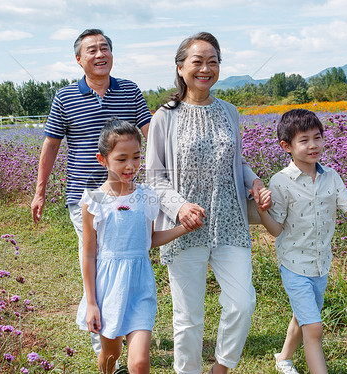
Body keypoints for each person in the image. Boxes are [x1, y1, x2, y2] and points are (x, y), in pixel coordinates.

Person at [146, 32, 271, 374]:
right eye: (197, 61)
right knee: (188, 317)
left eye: (213, 61)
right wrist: (179, 207)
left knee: (243, 303)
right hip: (183, 229)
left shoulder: (229, 112)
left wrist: (255, 181)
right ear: (181, 68)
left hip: (230, 222)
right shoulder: (164, 117)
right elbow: (154, 178)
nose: (206, 68)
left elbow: (238, 163)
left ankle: (222, 366)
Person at [30, 29, 153, 356]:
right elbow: (51, 145)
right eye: (92, 50)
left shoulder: (129, 91)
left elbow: (151, 134)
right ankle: (105, 332)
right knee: (99, 258)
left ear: (112, 54)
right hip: (85, 197)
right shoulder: (65, 97)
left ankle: (127, 325)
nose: (100, 55)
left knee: (128, 256)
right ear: (78, 59)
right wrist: (39, 191)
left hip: (129, 195)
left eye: (105, 49)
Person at [255, 109, 347, 374]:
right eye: (304, 140)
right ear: (286, 146)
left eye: (318, 137)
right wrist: (262, 212)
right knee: (314, 327)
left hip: (321, 264)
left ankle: (283, 358)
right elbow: (276, 230)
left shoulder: (331, 176)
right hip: (293, 265)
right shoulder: (280, 182)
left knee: (304, 315)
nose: (313, 145)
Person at [77, 118, 190, 373]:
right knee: (110, 354)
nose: (131, 166)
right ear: (102, 159)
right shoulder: (94, 201)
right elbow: (89, 254)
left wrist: (183, 227)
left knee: (139, 362)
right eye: (121, 159)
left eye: (137, 157)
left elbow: (149, 241)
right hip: (107, 289)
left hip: (140, 286)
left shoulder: (147, 196)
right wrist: (92, 302)